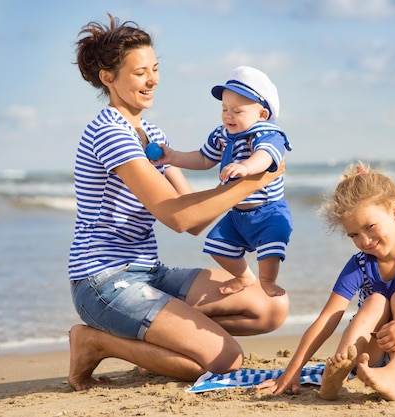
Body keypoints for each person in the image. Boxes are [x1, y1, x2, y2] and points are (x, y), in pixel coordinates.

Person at [68, 14, 289, 392]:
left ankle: (166, 331)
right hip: (104, 281)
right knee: (225, 360)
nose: (153, 79)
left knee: (270, 307)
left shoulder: (151, 134)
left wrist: (246, 173)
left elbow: (195, 214)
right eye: (140, 73)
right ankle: (95, 341)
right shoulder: (110, 133)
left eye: (155, 69)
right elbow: (178, 218)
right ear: (108, 78)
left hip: (149, 272)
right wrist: (255, 181)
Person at [257, 163, 395, 401]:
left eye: (370, 227)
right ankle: (337, 373)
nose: (364, 241)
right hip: (367, 354)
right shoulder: (360, 264)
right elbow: (327, 319)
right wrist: (292, 371)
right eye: (354, 235)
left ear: (394, 211)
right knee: (375, 300)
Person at [153, 66, 292, 297]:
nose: (228, 115)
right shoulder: (223, 135)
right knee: (217, 245)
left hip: (268, 211)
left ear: (262, 115)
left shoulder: (267, 133)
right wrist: (174, 157)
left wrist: (245, 167)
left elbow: (266, 156)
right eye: (224, 108)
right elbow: (204, 158)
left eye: (237, 111)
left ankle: (267, 280)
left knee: (271, 247)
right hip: (238, 214)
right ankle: (244, 276)